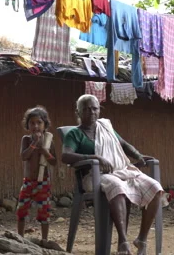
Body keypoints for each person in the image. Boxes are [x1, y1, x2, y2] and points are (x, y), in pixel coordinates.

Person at [62, 94, 164, 255]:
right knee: (116, 186)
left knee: (155, 187)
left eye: (95, 108)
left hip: (120, 170)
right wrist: (94, 157)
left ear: (99, 110)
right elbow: (66, 156)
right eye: (86, 109)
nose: (92, 112)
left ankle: (141, 240)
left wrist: (138, 156)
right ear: (78, 112)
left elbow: (122, 144)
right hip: (93, 175)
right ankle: (123, 242)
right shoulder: (74, 134)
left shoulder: (105, 127)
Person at [16, 106, 57, 240]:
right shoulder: (26, 140)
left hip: (43, 183)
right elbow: (24, 156)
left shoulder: (49, 141)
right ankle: (20, 239)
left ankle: (44, 240)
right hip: (28, 182)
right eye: (32, 123)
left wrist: (45, 151)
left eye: (39, 123)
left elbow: (54, 161)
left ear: (45, 125)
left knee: (44, 213)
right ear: (27, 125)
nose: (36, 126)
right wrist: (34, 144)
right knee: (21, 211)